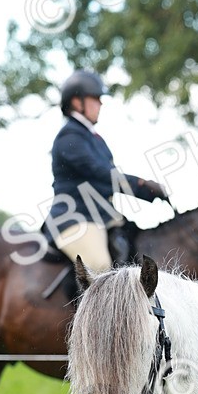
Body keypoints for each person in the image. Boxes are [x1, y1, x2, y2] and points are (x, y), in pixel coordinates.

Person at [44, 70, 169, 271]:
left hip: (102, 215)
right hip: (75, 219)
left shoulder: (94, 138)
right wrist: (142, 186)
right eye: (95, 99)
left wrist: (146, 191)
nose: (100, 104)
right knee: (100, 267)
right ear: (78, 103)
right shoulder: (69, 138)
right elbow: (101, 174)